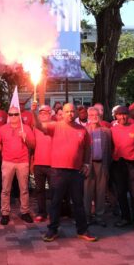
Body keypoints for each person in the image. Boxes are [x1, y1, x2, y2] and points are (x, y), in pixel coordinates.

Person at [32, 102, 97, 242]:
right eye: (67, 111)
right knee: (55, 202)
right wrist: (34, 113)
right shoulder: (55, 126)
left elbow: (87, 149)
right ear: (62, 113)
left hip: (76, 172)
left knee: (78, 203)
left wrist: (86, 163)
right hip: (58, 171)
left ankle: (82, 230)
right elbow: (39, 126)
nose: (70, 114)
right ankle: (52, 230)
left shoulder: (82, 130)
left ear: (76, 113)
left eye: (72, 111)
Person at [0, 106, 35, 225]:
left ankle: (25, 212)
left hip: (22, 162)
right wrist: (3, 150)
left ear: (19, 115)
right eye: (11, 114)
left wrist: (25, 138)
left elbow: (32, 146)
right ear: (8, 115)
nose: (13, 117)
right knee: (6, 189)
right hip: (8, 162)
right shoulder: (2, 129)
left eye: (15, 114)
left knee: (24, 189)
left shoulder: (26, 128)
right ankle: (5, 213)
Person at [110, 106, 134, 232]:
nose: (123, 117)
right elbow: (111, 146)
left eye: (125, 114)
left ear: (128, 115)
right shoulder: (112, 129)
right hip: (118, 164)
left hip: (133, 164)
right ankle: (125, 218)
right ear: (116, 116)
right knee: (120, 193)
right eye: (120, 115)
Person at [84, 107, 112, 226]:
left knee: (100, 192)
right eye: (92, 115)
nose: (94, 117)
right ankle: (87, 216)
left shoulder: (106, 131)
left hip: (102, 164)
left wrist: (108, 165)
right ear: (88, 117)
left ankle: (99, 216)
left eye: (96, 115)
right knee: (87, 192)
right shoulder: (84, 130)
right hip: (88, 165)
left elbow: (110, 149)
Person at [32, 105, 53, 222]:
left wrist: (32, 111)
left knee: (54, 190)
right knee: (39, 190)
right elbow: (33, 145)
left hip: (52, 164)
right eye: (41, 113)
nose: (43, 115)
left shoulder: (54, 126)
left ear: (50, 114)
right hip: (38, 163)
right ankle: (41, 212)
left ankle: (53, 212)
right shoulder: (35, 128)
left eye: (46, 113)